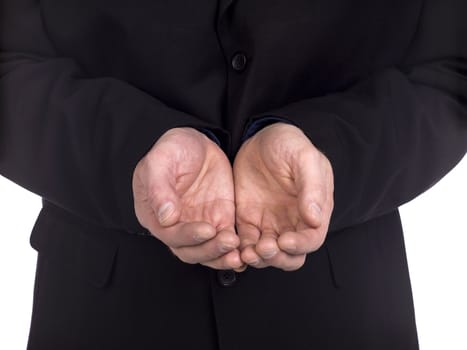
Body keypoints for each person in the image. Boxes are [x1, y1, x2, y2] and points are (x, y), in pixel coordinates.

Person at [1, 0, 466, 349]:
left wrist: (332, 153)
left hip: (344, 313)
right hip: (101, 315)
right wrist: (131, 155)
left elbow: (451, 69)